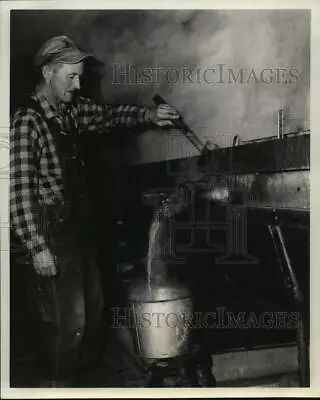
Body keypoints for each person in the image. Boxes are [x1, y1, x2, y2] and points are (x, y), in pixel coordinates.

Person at [10, 35, 180, 387]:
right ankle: (52, 388)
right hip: (50, 238)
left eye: (80, 77)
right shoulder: (29, 121)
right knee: (62, 329)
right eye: (71, 77)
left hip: (80, 233)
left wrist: (148, 115)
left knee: (92, 317)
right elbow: (18, 191)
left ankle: (73, 385)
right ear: (47, 72)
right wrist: (37, 247)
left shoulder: (70, 111)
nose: (78, 84)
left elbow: (108, 116)